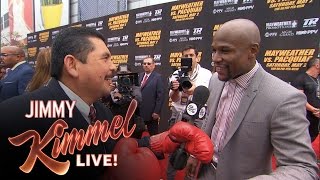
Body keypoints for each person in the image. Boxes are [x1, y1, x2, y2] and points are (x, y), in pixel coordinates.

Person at [0, 27, 214, 179]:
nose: (114, 68)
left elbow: (111, 154)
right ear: (72, 65)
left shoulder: (100, 111)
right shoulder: (14, 117)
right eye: (106, 59)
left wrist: (163, 141)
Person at [185, 18, 319, 179]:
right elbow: (211, 125)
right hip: (204, 172)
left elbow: (303, 168)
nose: (215, 58)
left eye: (225, 51)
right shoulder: (215, 80)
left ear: (252, 51)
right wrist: (195, 155)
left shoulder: (284, 98)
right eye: (214, 50)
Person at [167, 45, 212, 180]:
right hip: (178, 116)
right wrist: (175, 90)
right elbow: (173, 99)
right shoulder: (176, 74)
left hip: (197, 118)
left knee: (193, 153)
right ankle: (170, 177)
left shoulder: (206, 74)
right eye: (185, 56)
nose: (188, 58)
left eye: (191, 56)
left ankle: (189, 177)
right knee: (173, 150)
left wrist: (194, 90)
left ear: (197, 57)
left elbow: (208, 95)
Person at [101, 63, 145, 138]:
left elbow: (137, 102)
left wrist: (122, 97)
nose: (124, 76)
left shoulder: (134, 87)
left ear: (130, 74)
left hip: (131, 123)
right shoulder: (113, 86)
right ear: (117, 75)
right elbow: (105, 102)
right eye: (121, 74)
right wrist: (108, 92)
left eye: (126, 73)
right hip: (115, 123)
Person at [292, 57, 320, 143]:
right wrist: (313, 110)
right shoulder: (301, 78)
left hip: (317, 116)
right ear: (317, 65)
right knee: (305, 138)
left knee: (315, 136)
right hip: (306, 115)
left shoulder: (318, 79)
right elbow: (299, 98)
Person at [139, 57, 165, 136]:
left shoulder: (158, 77)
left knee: (153, 136)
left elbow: (160, 96)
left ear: (154, 65)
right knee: (137, 135)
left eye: (149, 64)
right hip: (139, 113)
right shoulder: (140, 76)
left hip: (151, 113)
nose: (146, 65)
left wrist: (156, 112)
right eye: (144, 64)